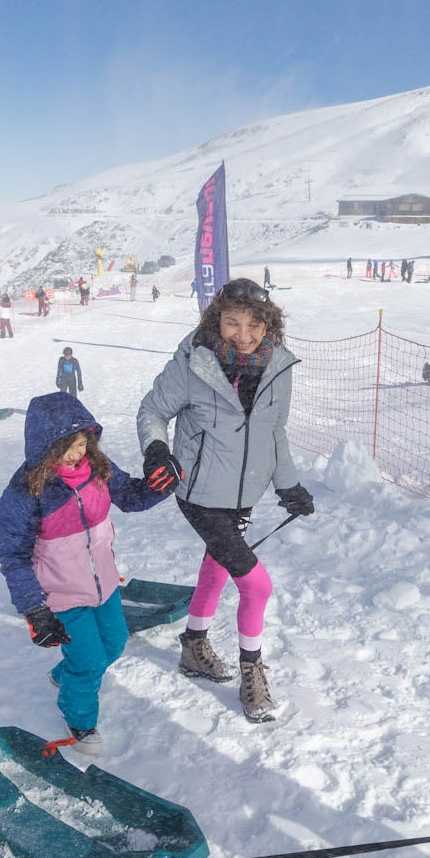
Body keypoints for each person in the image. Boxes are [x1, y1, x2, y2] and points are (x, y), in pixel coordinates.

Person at [137, 277, 315, 723]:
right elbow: (152, 411)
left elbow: (275, 432)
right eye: (232, 323)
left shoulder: (277, 366)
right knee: (257, 585)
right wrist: (156, 448)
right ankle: (251, 673)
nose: (243, 334)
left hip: (242, 495)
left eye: (253, 324)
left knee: (215, 566)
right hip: (197, 492)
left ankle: (194, 646)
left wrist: (287, 485)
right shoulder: (193, 363)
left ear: (267, 323)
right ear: (217, 319)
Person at [0, 393, 175, 754]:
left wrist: (159, 486)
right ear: (44, 449)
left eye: (81, 443)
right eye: (67, 448)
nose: (77, 454)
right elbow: (14, 556)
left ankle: (65, 674)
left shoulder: (98, 468)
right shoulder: (26, 491)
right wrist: (36, 609)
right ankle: (79, 719)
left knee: (114, 642)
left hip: (104, 584)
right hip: (59, 594)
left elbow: (131, 496)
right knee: (90, 661)